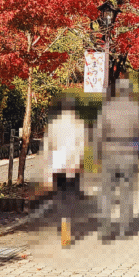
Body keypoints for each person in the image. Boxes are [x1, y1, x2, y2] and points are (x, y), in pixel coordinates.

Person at [94, 78, 139, 241]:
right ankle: (124, 229)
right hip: (129, 152)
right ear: (131, 91)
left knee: (106, 192)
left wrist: (96, 155)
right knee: (127, 191)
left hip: (109, 153)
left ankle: (105, 228)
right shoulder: (137, 109)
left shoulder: (107, 108)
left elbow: (99, 133)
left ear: (118, 91)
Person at [43, 95, 87, 248]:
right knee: (72, 197)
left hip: (57, 164)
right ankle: (67, 225)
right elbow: (81, 147)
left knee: (59, 196)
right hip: (72, 166)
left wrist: (47, 170)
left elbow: (48, 147)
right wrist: (77, 162)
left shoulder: (54, 124)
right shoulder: (79, 124)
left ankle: (62, 224)